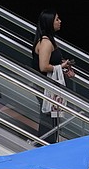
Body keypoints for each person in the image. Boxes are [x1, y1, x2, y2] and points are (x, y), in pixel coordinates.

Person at [32, 9, 75, 143]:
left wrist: (63, 65)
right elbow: (43, 66)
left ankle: (49, 144)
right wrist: (60, 67)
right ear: (49, 22)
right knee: (48, 118)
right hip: (44, 86)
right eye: (57, 19)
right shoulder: (46, 42)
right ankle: (45, 145)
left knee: (52, 117)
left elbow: (52, 60)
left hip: (49, 86)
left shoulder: (50, 40)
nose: (60, 21)